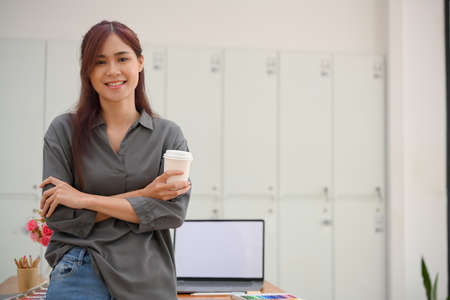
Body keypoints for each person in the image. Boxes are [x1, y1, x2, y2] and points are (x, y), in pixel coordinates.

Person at [39, 20, 191, 300]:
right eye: (99, 62)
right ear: (87, 70)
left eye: (122, 58)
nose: (112, 71)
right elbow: (59, 216)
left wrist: (84, 200)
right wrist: (145, 196)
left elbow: (171, 213)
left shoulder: (169, 135)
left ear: (140, 62)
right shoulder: (63, 130)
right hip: (80, 267)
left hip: (148, 276)